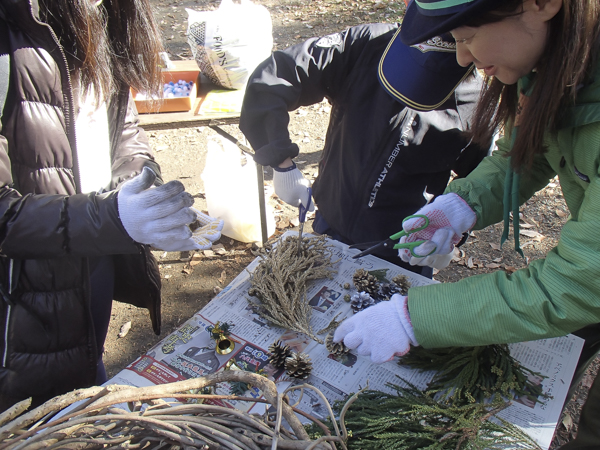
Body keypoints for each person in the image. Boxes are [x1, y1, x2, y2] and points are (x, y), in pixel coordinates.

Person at [333, 0, 600, 446]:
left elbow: (575, 285)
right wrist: (460, 205)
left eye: (467, 36)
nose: (462, 58)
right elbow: (527, 153)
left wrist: (413, 318)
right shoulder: (554, 61)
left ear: (540, 5)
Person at [0, 0, 221, 411]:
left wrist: (140, 186)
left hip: (92, 258)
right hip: (18, 297)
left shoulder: (101, 14)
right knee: (36, 416)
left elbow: (121, 127)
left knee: (85, 373)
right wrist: (112, 218)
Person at [239, 22, 492, 278]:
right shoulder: (368, 45)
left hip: (402, 245)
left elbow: (483, 178)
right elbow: (274, 77)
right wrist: (281, 162)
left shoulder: (476, 102)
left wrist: (449, 230)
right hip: (331, 218)